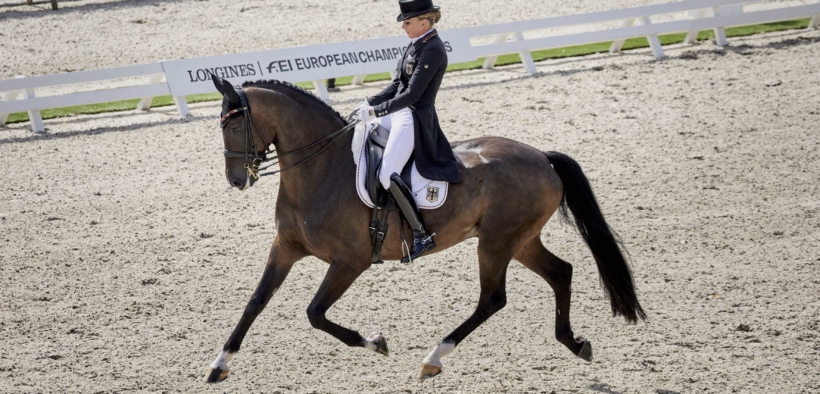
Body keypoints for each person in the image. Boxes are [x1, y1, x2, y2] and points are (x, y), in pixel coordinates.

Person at [357, 0, 461, 263]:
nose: (404, 26)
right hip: (398, 112)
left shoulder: (433, 49)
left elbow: (413, 94)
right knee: (359, 136)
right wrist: (369, 102)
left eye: (408, 22)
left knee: (386, 174)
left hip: (413, 116)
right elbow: (397, 85)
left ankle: (420, 234)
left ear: (424, 23)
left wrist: (378, 111)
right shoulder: (416, 44)